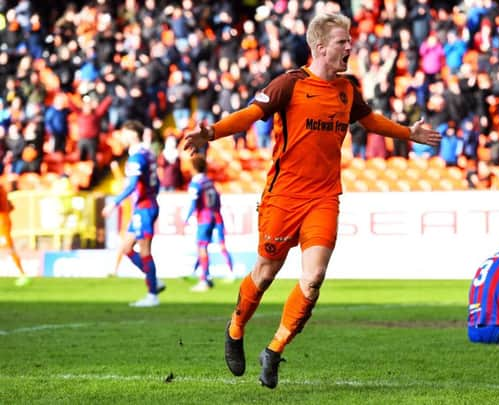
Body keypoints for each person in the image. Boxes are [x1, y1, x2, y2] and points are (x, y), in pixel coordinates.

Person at [184, 12, 441, 389]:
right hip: (283, 196)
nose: (349, 47)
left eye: (350, 41)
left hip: (323, 197)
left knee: (314, 277)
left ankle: (273, 350)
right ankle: (236, 327)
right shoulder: (288, 84)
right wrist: (212, 131)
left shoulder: (348, 89)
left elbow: (370, 122)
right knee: (266, 272)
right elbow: (249, 115)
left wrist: (408, 133)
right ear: (320, 47)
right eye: (342, 42)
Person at [102, 120, 165, 307]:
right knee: (126, 248)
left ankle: (152, 295)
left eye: (124, 132)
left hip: (144, 208)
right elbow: (157, 182)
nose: (121, 137)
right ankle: (154, 279)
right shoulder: (148, 153)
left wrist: (114, 202)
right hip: (145, 206)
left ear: (132, 134)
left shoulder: (137, 157)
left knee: (145, 250)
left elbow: (131, 185)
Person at [183, 154, 232, 292]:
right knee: (206, 247)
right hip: (214, 216)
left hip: (203, 219)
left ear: (193, 168)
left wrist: (186, 219)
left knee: (202, 247)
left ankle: (204, 280)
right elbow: (217, 198)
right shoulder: (209, 181)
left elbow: (193, 203)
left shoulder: (196, 183)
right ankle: (207, 277)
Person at [0, 181, 29, 286]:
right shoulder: (2, 188)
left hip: (2, 223)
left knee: (9, 248)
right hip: (4, 220)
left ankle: (22, 273)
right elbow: (11, 206)